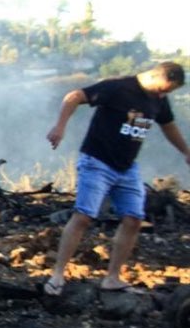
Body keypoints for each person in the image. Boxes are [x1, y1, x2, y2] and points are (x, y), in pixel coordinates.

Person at [43, 61, 189, 296]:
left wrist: (185, 151)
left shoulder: (158, 100)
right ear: (155, 76)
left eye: (168, 92)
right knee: (83, 216)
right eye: (164, 89)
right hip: (97, 162)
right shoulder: (118, 88)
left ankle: (112, 278)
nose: (164, 95)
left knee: (133, 219)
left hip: (127, 168)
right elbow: (74, 96)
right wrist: (60, 127)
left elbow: (168, 126)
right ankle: (57, 274)